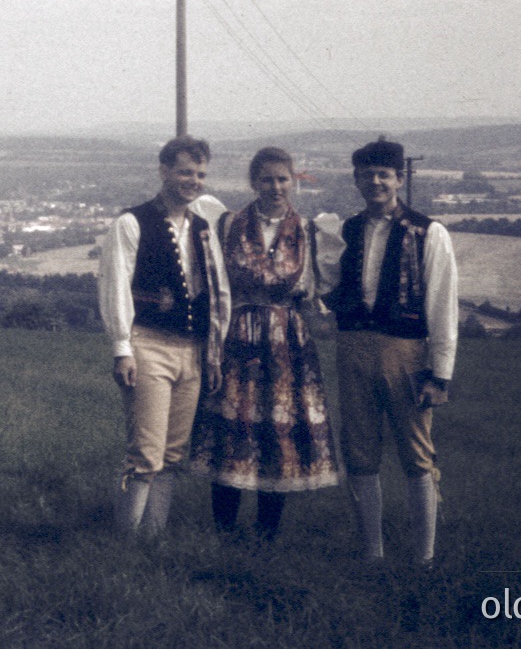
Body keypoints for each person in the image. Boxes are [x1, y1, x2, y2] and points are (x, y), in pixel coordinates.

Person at [190, 146, 343, 542]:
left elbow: (320, 290)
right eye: (266, 179)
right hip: (238, 338)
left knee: (279, 432)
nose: (275, 187)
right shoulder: (227, 224)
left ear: (293, 180)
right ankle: (223, 531)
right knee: (233, 429)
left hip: (287, 344)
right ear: (253, 182)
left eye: (282, 179)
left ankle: (265, 534)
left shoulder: (311, 231)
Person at [320, 138, 458, 566]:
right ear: (357, 179)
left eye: (384, 174)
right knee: (359, 450)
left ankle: (424, 557)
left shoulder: (428, 231)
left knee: (417, 453)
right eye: (367, 174)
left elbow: (442, 303)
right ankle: (372, 554)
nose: (375, 181)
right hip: (354, 350)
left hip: (407, 352)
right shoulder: (345, 231)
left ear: (400, 178)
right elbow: (327, 288)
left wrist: (440, 375)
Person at [98, 135, 230, 539]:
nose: (194, 181)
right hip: (148, 344)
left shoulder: (204, 227)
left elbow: (219, 288)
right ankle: (124, 542)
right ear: (164, 172)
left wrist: (215, 349)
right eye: (186, 172)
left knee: (173, 454)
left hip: (191, 350)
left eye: (201, 174)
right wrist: (123, 349)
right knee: (145, 451)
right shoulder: (132, 222)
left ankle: (153, 538)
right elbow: (115, 285)